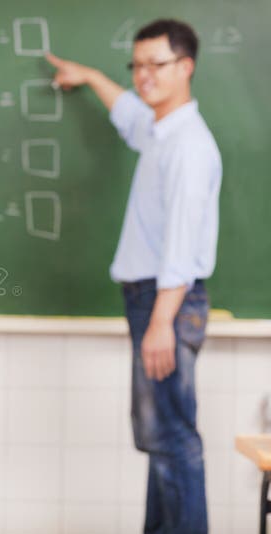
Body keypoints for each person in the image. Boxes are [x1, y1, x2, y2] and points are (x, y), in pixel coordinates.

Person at [46, 19, 221, 534]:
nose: (144, 76)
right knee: (159, 436)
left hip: (167, 301)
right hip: (155, 299)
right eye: (137, 65)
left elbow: (183, 245)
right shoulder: (160, 128)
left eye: (156, 65)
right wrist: (93, 76)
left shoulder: (188, 146)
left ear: (185, 67)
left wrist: (163, 320)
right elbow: (128, 113)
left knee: (172, 437)